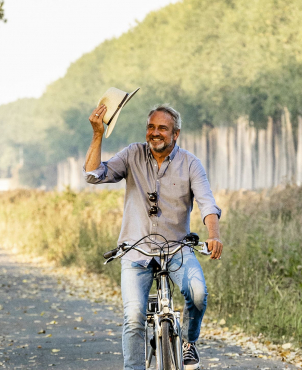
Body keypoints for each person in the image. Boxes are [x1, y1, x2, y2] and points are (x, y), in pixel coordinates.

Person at [84, 103, 223, 370]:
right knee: (134, 316)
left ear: (175, 134)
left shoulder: (190, 163)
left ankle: (189, 342)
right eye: (151, 127)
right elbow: (93, 175)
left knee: (197, 293)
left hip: (177, 250)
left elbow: (207, 204)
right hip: (136, 251)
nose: (155, 133)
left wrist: (213, 235)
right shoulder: (132, 154)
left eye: (162, 128)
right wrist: (98, 134)